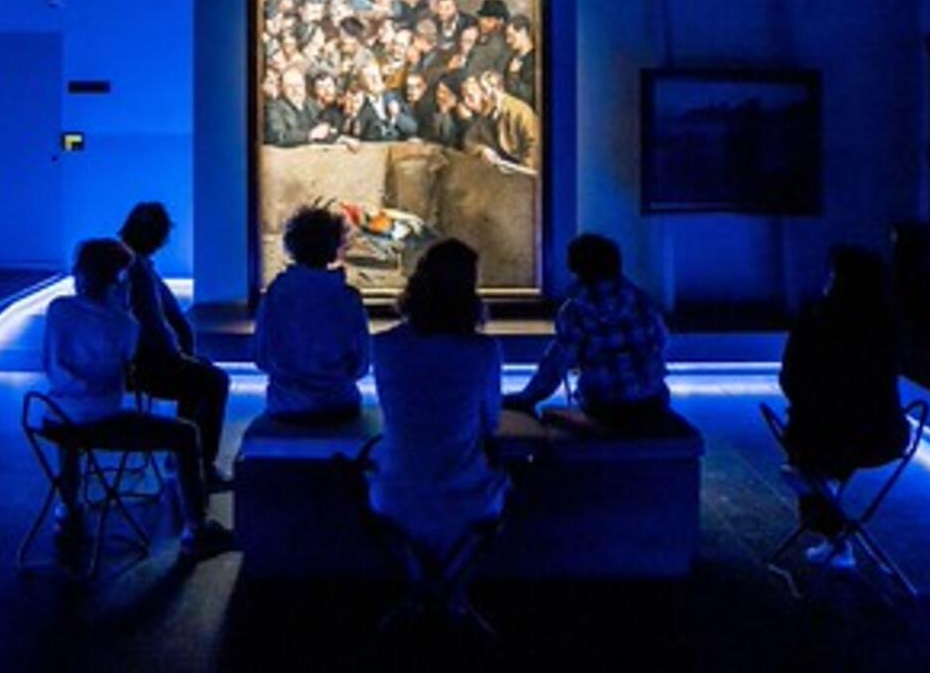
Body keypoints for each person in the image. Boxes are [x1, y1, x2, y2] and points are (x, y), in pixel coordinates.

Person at [42, 238, 235, 561]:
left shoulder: (57, 309)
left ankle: (69, 508)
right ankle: (196, 528)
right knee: (186, 434)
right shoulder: (124, 325)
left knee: (72, 426)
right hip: (102, 422)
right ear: (119, 280)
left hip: (53, 418)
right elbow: (125, 369)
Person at [370, 239, 508, 559]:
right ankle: (454, 581)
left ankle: (422, 579)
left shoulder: (383, 346)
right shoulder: (484, 351)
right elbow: (491, 423)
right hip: (468, 500)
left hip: (394, 499)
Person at [778, 245, 910, 563]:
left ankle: (832, 526)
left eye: (832, 276)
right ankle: (827, 494)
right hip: (884, 435)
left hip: (825, 435)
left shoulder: (815, 318)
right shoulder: (887, 325)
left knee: (812, 442)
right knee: (830, 440)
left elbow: (791, 379)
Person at [119, 203, 234, 491]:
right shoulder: (137, 270)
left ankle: (186, 457)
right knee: (215, 381)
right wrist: (178, 355)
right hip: (148, 364)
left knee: (201, 376)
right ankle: (199, 466)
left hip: (148, 359)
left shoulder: (135, 264)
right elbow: (152, 323)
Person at [504, 234, 672, 428]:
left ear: (575, 268)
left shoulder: (575, 311)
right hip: (653, 402)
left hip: (605, 408)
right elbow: (661, 340)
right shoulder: (641, 300)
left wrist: (526, 398)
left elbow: (556, 366)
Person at [253, 206, 371, 422]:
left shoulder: (275, 296)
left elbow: (262, 357)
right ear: (336, 245)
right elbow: (361, 364)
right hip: (339, 404)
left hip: (285, 405)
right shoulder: (348, 299)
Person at [352, 62, 418, 141]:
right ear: (361, 83)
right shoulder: (358, 103)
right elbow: (356, 133)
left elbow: (412, 128)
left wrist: (396, 116)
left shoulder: (394, 98)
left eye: (377, 75)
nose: (375, 79)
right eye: (369, 77)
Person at [265, 68, 331, 146]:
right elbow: (278, 136)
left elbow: (324, 127)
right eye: (290, 86)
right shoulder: (273, 107)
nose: (296, 90)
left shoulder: (312, 104)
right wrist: (309, 135)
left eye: (299, 85)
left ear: (304, 86)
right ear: (281, 88)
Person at [466, 0, 513, 78]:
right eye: (482, 18)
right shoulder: (481, 38)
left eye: (489, 20)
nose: (483, 23)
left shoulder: (499, 44)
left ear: (500, 22)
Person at [503, 15, 536, 107]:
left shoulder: (534, 60)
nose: (508, 40)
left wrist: (513, 74)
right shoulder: (511, 58)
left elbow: (528, 96)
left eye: (511, 35)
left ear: (523, 32)